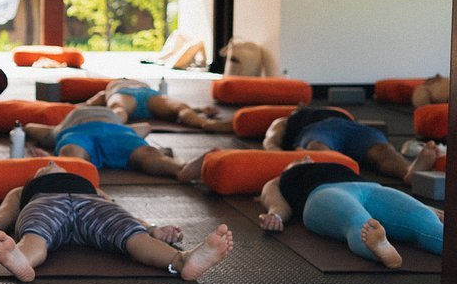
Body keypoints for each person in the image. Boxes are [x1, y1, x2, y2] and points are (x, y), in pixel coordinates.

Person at [0, 162, 233, 282]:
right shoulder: (22, 190)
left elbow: (119, 210)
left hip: (93, 204)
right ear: (35, 176)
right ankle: (22, 260)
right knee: (36, 233)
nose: (51, 163)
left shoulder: (91, 187)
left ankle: (182, 260)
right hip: (47, 202)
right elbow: (4, 217)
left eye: (55, 163)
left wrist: (152, 228)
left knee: (132, 234)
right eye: (46, 165)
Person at [258, 157, 441, 269]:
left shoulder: (336, 164)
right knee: (359, 221)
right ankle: (380, 249)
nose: (304, 156)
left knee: (425, 220)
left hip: (370, 188)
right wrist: (275, 217)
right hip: (321, 194)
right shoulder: (279, 180)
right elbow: (277, 204)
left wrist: (429, 209)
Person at [263, 105, 438, 185]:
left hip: (353, 128)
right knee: (318, 146)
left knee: (383, 149)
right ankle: (343, 178)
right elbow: (270, 141)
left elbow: (270, 143)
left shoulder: (309, 114)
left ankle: (409, 171)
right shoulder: (287, 120)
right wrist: (280, 159)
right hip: (318, 130)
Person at [24, 105, 192, 180]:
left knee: (146, 153)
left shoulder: (60, 126)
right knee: (71, 152)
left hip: (117, 131)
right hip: (78, 132)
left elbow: (31, 127)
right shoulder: (59, 128)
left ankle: (181, 170)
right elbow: (146, 127)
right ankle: (71, 178)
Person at [85, 78, 233, 133]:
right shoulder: (140, 83)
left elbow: (91, 103)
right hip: (149, 95)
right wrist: (199, 109)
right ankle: (205, 123)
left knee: (118, 109)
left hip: (126, 94)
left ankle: (114, 127)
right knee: (181, 108)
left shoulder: (112, 86)